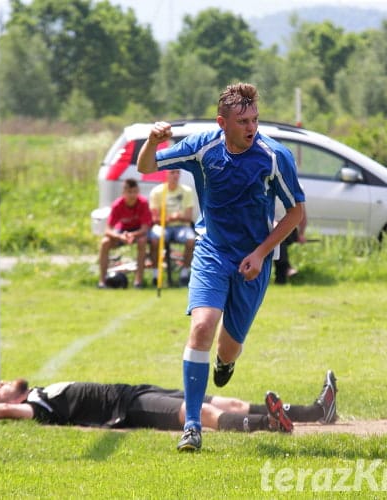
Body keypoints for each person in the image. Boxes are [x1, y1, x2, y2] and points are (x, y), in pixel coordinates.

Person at [137, 83, 306, 451]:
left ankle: (224, 364)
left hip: (253, 261)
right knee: (201, 327)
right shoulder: (203, 146)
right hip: (212, 251)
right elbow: (146, 165)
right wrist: (152, 140)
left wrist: (261, 254)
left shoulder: (275, 156)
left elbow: (296, 212)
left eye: (255, 119)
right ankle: (193, 426)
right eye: (243, 120)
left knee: (228, 349)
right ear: (222, 122)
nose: (252, 127)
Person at [0, 370, 338, 435]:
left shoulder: (38, 390)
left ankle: (317, 412)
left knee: (228, 399)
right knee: (203, 414)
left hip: (135, 390)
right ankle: (270, 426)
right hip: (127, 410)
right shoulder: (36, 408)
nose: (1, 384)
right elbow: (3, 409)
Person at [98, 178, 152, 289]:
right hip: (121, 232)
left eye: (135, 192)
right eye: (129, 192)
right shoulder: (117, 204)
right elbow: (107, 229)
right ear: (124, 193)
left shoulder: (143, 203)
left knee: (142, 241)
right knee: (105, 242)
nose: (132, 195)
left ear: (138, 192)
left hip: (137, 232)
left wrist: (133, 235)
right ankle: (102, 281)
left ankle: (138, 281)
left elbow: (145, 228)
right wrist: (119, 236)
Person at [147, 169, 197, 287]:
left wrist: (177, 218)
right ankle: (156, 275)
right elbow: (155, 218)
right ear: (166, 174)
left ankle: (185, 274)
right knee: (154, 239)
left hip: (182, 227)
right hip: (162, 226)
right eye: (172, 172)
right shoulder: (157, 192)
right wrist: (172, 218)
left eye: (178, 172)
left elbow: (189, 217)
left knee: (191, 239)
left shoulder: (187, 191)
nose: (176, 175)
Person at [274, 211, 307, 284]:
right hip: (271, 228)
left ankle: (285, 270)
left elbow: (301, 213)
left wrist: (301, 234)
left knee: (279, 237)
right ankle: (284, 272)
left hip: (288, 230)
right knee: (278, 237)